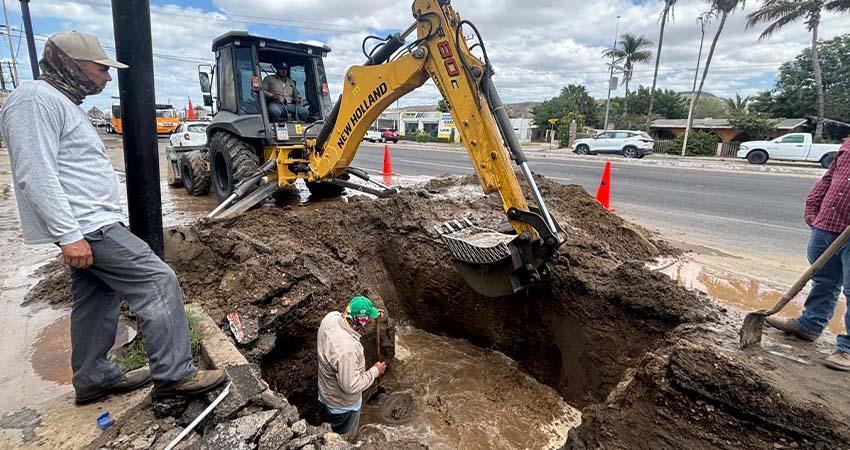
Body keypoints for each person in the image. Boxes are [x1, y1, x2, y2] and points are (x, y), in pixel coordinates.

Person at [0, 31, 226, 405]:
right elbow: (34, 172)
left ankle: (93, 376)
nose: (107, 77)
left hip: (91, 224)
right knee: (158, 281)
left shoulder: (62, 103)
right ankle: (174, 376)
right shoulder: (34, 100)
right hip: (88, 226)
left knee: (97, 299)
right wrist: (69, 234)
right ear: (70, 63)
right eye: (100, 68)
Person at [768, 136, 850, 371]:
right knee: (823, 279)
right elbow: (830, 178)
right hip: (827, 224)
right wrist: (813, 205)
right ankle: (809, 325)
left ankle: (848, 349)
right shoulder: (848, 144)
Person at [316, 296, 387, 437]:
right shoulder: (347, 350)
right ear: (361, 321)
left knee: (326, 433)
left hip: (325, 394)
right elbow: (350, 386)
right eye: (367, 319)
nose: (367, 323)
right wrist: (375, 371)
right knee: (344, 438)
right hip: (342, 407)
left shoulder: (330, 318)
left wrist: (373, 313)